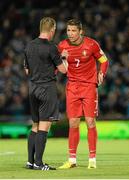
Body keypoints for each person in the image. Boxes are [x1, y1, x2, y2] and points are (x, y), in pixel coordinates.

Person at [58, 19, 109, 169]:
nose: (70, 34)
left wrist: (102, 73)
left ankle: (92, 159)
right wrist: (63, 58)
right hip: (72, 87)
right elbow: (59, 67)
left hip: (89, 87)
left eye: (74, 31)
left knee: (90, 122)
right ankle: (72, 160)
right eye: (68, 30)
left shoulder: (91, 44)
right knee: (73, 123)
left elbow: (104, 60)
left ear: (81, 32)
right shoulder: (62, 46)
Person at [24, 17, 67, 171]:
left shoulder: (29, 46)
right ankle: (39, 163)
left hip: (33, 88)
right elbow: (63, 70)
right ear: (52, 29)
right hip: (46, 89)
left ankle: (30, 162)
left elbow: (27, 70)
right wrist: (64, 58)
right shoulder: (51, 47)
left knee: (35, 126)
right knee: (44, 126)